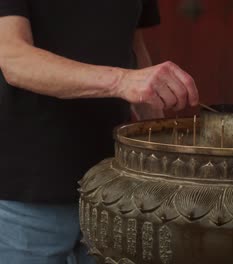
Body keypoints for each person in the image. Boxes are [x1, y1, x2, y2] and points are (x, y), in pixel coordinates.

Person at [0, 1, 199, 263]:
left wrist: (161, 151)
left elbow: (132, 45)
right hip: (24, 195)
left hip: (113, 191)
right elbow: (12, 56)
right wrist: (122, 81)